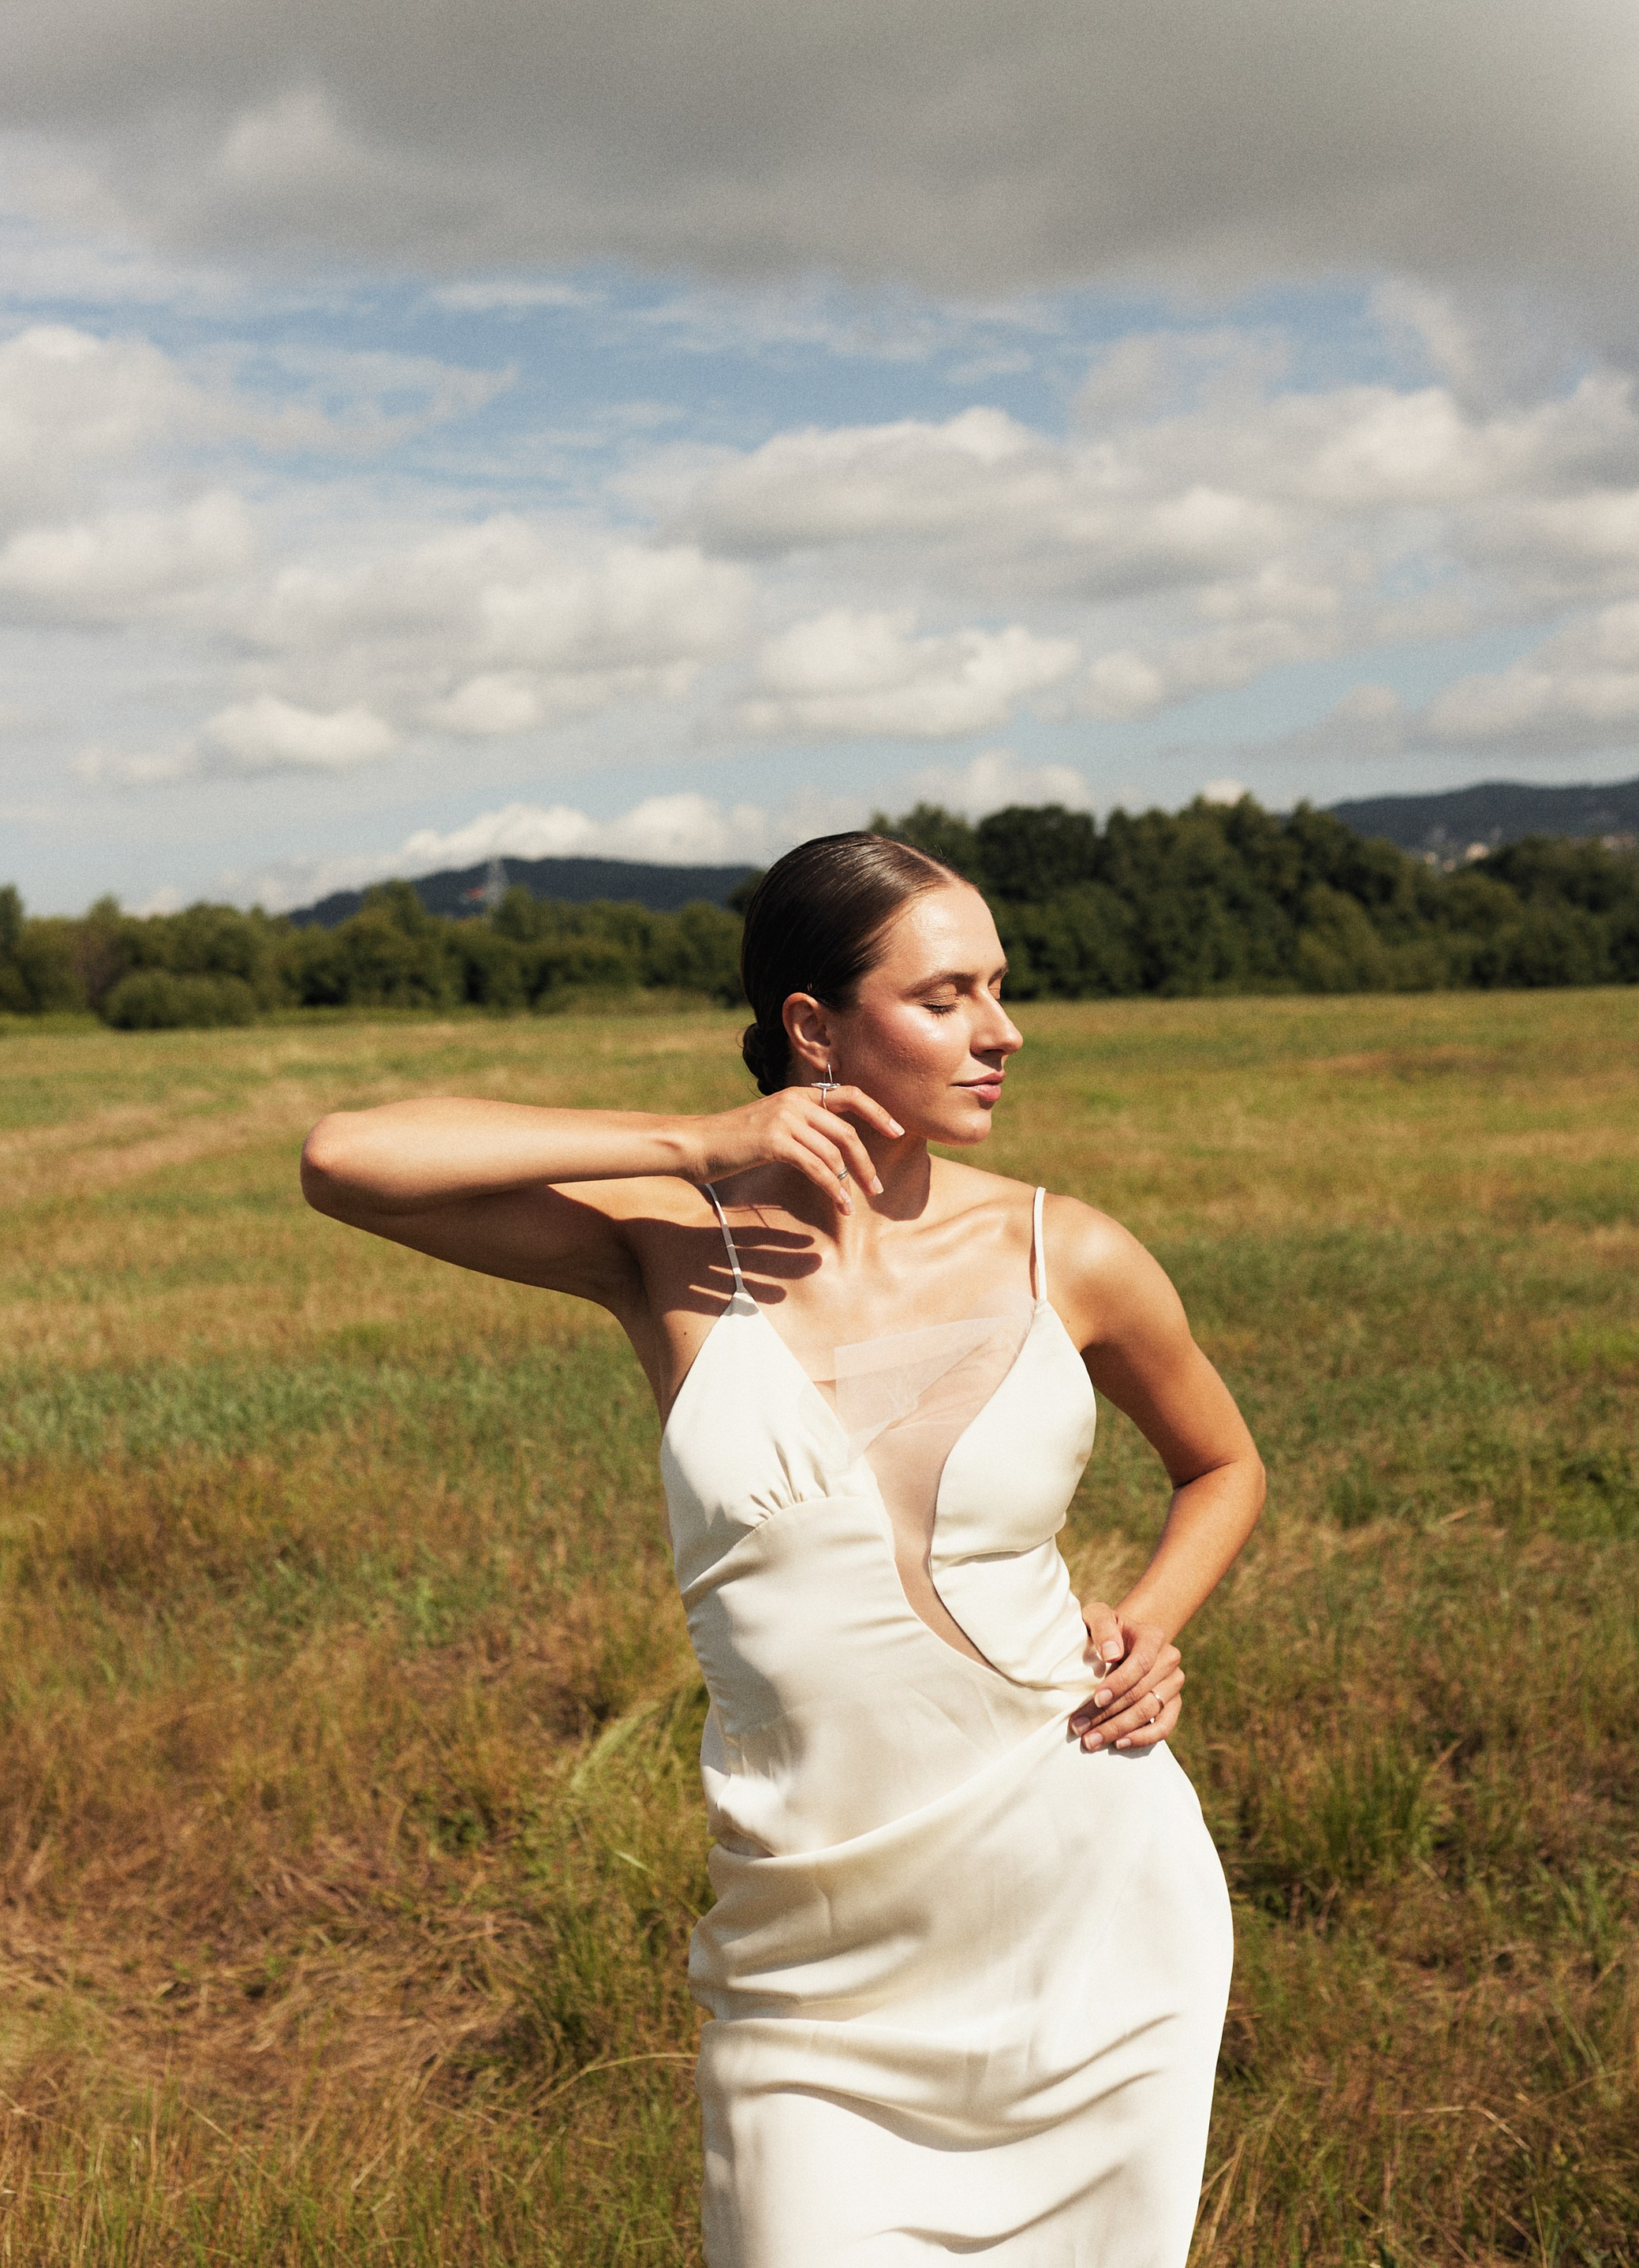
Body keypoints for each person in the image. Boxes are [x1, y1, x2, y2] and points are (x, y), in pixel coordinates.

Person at [301, 831, 1265, 2267]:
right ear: (814, 1027)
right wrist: (686, 1144)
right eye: (945, 997)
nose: (1003, 1031)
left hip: (1085, 1902)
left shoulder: (1068, 1254)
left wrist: (1153, 1621)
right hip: (810, 1965)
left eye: (999, 988)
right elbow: (346, 1159)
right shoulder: (671, 1247)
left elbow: (1224, 1464)